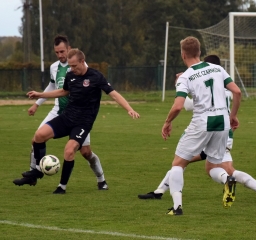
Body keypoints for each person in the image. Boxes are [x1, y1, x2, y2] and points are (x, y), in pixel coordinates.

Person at [138, 55, 256, 203]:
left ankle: (161, 192)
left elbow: (187, 105)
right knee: (227, 169)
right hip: (224, 131)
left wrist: (179, 84)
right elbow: (235, 93)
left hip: (207, 129)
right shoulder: (226, 89)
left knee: (182, 161)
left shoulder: (205, 84)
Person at [23, 48, 140, 194]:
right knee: (39, 136)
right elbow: (63, 91)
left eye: (74, 66)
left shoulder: (96, 76)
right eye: (70, 66)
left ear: (82, 61)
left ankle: (63, 187)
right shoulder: (70, 75)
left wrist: (129, 109)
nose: (71, 69)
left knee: (73, 151)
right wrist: (40, 94)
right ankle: (38, 171)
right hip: (67, 117)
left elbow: (114, 94)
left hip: (83, 123)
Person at [13, 35, 109, 190]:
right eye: (57, 52)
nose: (60, 55)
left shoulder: (81, 67)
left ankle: (101, 179)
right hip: (58, 111)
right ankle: (34, 173)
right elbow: (53, 87)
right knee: (37, 137)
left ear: (69, 49)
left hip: (79, 115)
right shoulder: (54, 67)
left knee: (85, 152)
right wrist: (37, 104)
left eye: (62, 51)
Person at [161, 37, 242, 216]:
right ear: (199, 52)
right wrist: (233, 115)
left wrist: (167, 122)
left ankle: (177, 207)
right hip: (222, 122)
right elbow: (237, 91)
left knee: (178, 164)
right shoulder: (218, 68)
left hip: (202, 121)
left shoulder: (186, 76)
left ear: (183, 54)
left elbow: (178, 105)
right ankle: (227, 179)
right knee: (213, 166)